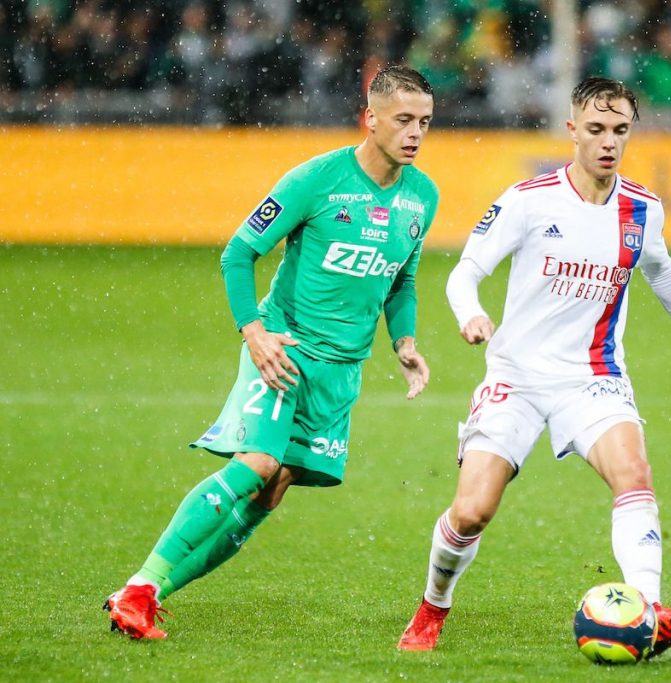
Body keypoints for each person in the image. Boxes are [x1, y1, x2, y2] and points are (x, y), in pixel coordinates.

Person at [397, 77, 671, 658]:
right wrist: (471, 313)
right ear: (573, 131)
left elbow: (662, 272)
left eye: (621, 131)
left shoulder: (642, 209)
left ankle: (650, 613)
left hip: (595, 377)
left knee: (633, 474)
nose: (609, 143)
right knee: (472, 510)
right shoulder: (528, 200)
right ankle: (433, 607)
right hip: (517, 378)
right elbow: (466, 271)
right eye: (598, 130)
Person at [105, 65, 438, 640]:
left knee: (273, 487)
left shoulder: (422, 197)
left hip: (342, 368)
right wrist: (253, 332)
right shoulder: (317, 180)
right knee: (255, 465)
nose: (415, 133)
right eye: (404, 120)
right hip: (283, 348)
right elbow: (238, 253)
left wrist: (403, 342)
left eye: (425, 122)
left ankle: (146, 594)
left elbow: (401, 280)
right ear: (371, 118)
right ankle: (140, 587)